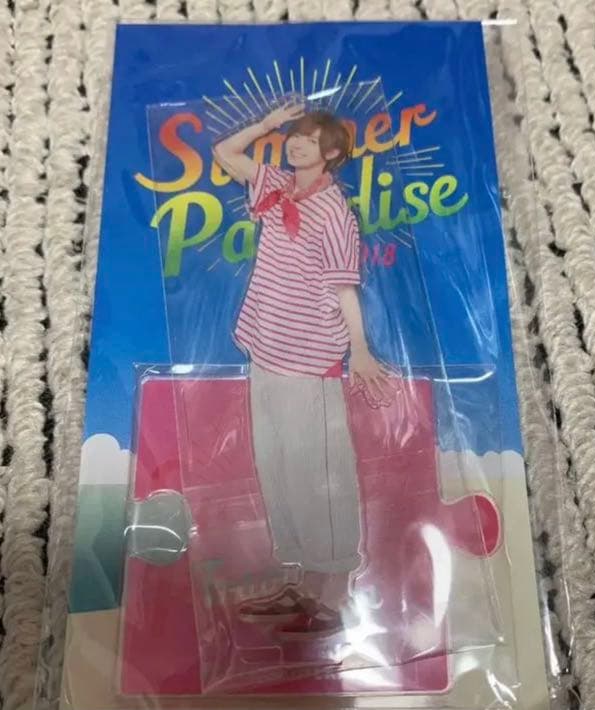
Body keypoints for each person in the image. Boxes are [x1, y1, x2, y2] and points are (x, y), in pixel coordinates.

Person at [213, 102, 395, 639]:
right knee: (277, 467)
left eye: (309, 140)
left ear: (331, 153)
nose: (296, 144)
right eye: (294, 136)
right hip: (266, 347)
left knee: (319, 474)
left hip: (310, 356)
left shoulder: (335, 213)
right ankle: (301, 584)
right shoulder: (275, 186)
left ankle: (333, 597)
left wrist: (359, 351)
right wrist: (266, 124)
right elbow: (224, 152)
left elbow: (344, 288)